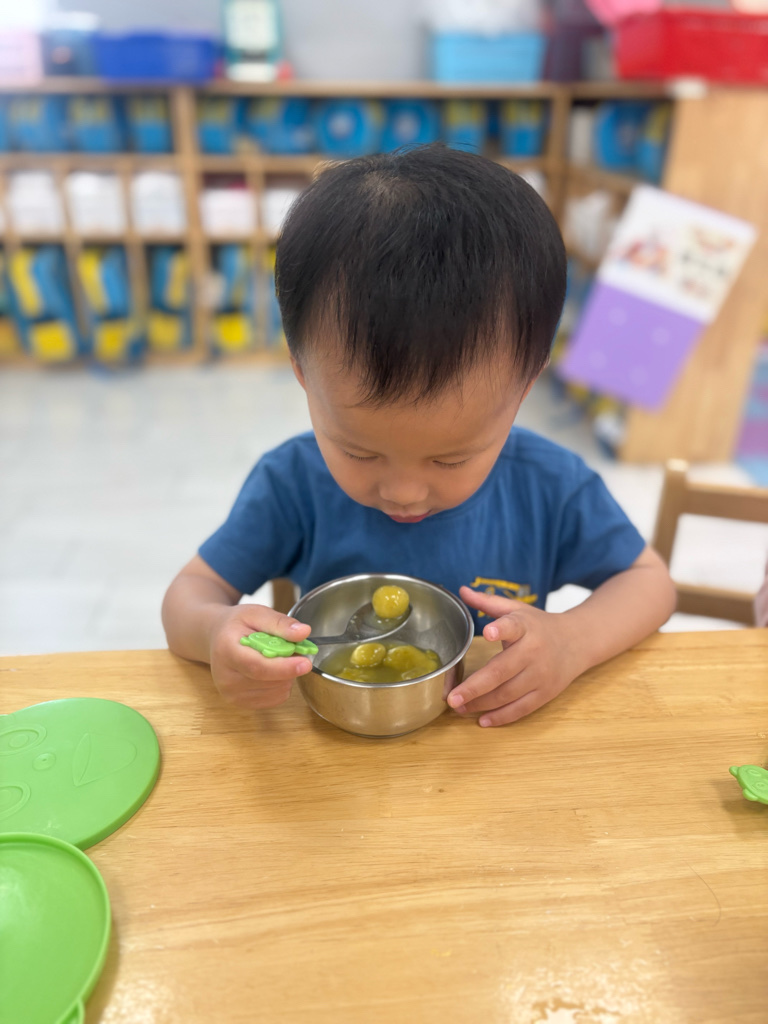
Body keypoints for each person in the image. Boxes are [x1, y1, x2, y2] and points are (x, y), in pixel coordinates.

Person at [162, 145, 676, 727]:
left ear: (525, 388)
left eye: (451, 459)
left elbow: (649, 584)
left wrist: (573, 640)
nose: (403, 492)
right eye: (359, 451)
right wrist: (215, 632)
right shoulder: (291, 482)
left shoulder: (551, 487)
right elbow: (189, 594)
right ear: (302, 371)